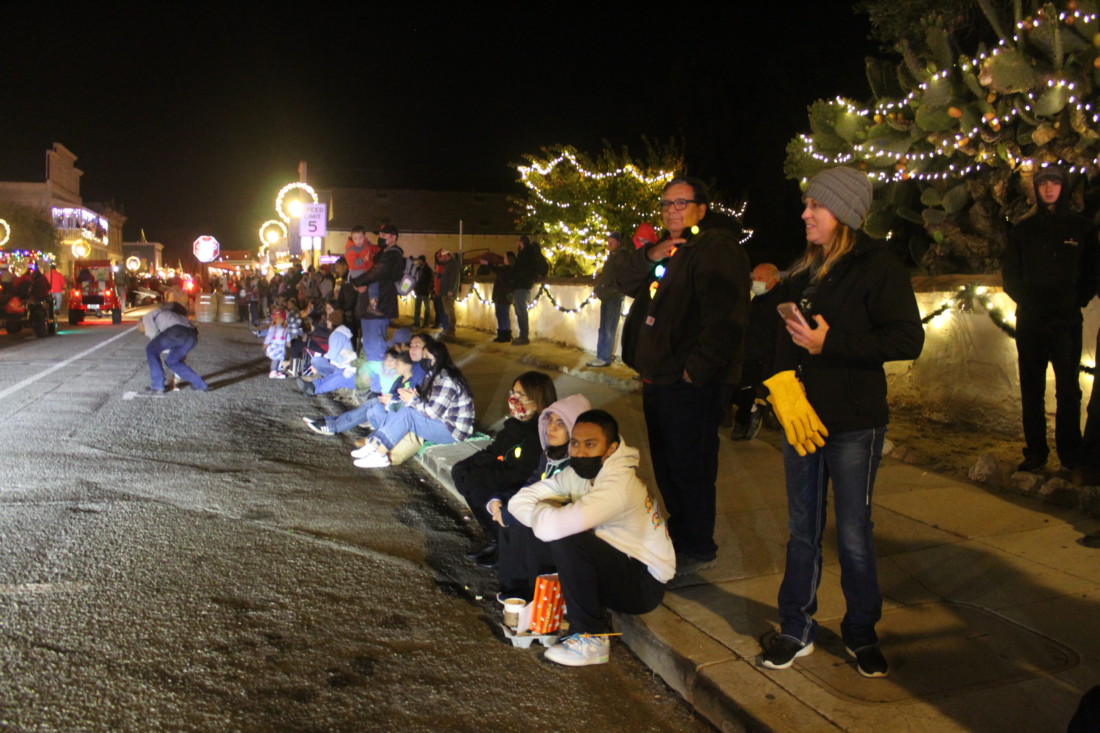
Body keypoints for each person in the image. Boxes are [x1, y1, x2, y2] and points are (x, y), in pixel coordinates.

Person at [758, 166, 924, 678]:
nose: (805, 213)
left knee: (853, 531)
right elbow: (777, 336)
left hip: (855, 422)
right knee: (802, 529)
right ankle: (796, 628)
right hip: (802, 420)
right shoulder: (804, 269)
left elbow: (907, 339)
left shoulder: (879, 266)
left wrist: (831, 343)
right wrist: (781, 385)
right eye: (807, 204)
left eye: (816, 205)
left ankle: (861, 632)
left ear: (845, 212)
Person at [613, 177, 751, 573]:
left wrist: (695, 371)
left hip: (689, 383)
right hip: (660, 377)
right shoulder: (670, 247)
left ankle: (697, 545)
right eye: (666, 204)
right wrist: (650, 253)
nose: (671, 210)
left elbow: (725, 318)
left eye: (681, 203)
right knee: (669, 466)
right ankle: (681, 534)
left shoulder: (716, 248)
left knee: (691, 467)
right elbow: (623, 281)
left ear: (701, 209)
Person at [508, 409, 676, 667]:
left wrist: (549, 512)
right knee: (541, 526)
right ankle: (552, 603)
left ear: (611, 449)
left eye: (590, 444)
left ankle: (591, 638)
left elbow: (550, 528)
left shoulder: (617, 486)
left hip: (643, 585)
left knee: (565, 536)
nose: (580, 452)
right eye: (575, 443)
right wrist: (548, 513)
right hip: (618, 563)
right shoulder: (579, 474)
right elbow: (518, 501)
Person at [1001, 164, 1098, 473]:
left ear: (1063, 187)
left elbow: (1091, 271)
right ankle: (1035, 452)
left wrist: (1076, 300)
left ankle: (1070, 452)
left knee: (1068, 389)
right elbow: (1010, 274)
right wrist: (1028, 301)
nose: (1049, 188)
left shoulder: (1081, 229)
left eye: (1055, 182)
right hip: (1031, 321)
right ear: (1036, 189)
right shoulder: (1022, 231)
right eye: (1043, 183)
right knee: (1032, 388)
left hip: (1066, 322)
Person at [451, 371, 557, 567]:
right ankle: (493, 535)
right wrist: (468, 466)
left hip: (523, 484)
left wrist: (481, 474)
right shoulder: (514, 425)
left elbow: (521, 473)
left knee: (478, 482)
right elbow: (494, 451)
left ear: (537, 399)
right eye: (513, 393)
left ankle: (504, 543)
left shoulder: (539, 433)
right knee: (461, 471)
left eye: (520, 395)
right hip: (505, 473)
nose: (514, 399)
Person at [493, 393, 591, 600]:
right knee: (507, 511)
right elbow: (532, 483)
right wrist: (498, 500)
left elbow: (562, 502)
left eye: (560, 423)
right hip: (544, 510)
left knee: (521, 523)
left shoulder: (578, 464)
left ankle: (531, 591)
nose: (551, 428)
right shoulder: (550, 454)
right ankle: (513, 586)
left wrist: (513, 512)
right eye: (550, 421)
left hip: (568, 527)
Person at [350, 340, 474, 468]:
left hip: (452, 430)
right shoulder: (431, 375)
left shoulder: (445, 379)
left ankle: (379, 455)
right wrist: (396, 402)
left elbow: (432, 413)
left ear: (438, 358)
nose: (424, 360)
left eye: (427, 356)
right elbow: (421, 403)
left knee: (406, 413)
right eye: (423, 356)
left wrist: (412, 400)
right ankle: (374, 444)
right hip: (438, 420)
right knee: (394, 409)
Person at [304, 333, 432, 436]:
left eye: (417, 345)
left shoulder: (423, 370)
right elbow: (398, 390)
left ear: (427, 348)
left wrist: (392, 400)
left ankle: (333, 425)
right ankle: (331, 423)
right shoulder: (412, 366)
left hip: (406, 415)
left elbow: (414, 401)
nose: (412, 348)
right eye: (411, 345)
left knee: (373, 406)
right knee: (372, 404)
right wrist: (390, 398)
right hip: (397, 407)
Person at [729, 263, 783, 440]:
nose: (755, 282)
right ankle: (749, 414)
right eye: (754, 278)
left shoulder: (779, 302)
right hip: (749, 352)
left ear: (773, 281)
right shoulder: (758, 299)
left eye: (760, 278)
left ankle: (746, 419)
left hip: (763, 357)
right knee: (739, 388)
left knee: (745, 388)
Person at [351, 224, 404, 392]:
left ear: (393, 237)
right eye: (379, 234)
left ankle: (380, 389)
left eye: (384, 235)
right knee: (371, 347)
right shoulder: (383, 253)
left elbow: (376, 272)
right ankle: (376, 387)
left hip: (379, 308)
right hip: (373, 309)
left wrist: (356, 282)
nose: (380, 237)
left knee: (375, 349)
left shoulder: (393, 254)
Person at [140, 302, 208, 394]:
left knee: (151, 350)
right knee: (173, 361)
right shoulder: (176, 316)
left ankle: (157, 385)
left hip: (176, 331)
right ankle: (200, 384)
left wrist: (160, 347)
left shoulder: (148, 316)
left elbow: (153, 335)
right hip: (192, 335)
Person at [587, 232, 630, 367]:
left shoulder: (621, 257)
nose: (609, 244)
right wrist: (598, 289)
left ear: (618, 243)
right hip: (606, 296)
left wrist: (611, 290)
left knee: (609, 328)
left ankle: (604, 357)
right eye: (608, 242)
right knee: (604, 328)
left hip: (613, 297)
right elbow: (606, 277)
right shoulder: (612, 257)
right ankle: (601, 355)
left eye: (612, 242)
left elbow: (621, 278)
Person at [510, 236, 548, 346]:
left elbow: (522, 270)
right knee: (520, 310)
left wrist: (515, 278)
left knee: (521, 311)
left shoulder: (525, 254)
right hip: (523, 284)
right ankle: (523, 335)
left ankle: (523, 336)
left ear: (521, 243)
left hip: (522, 285)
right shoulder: (528, 254)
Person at [489, 252, 516, 343]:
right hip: (499, 295)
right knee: (499, 315)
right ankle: (501, 334)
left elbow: (507, 282)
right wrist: (488, 264)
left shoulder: (510, 270)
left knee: (504, 315)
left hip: (504, 296)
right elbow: (495, 269)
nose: (503, 259)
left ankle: (506, 335)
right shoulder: (503, 269)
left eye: (505, 257)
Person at [437, 249, 460, 339]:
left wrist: (451, 290)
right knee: (447, 311)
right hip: (445, 292)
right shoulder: (449, 265)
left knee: (449, 311)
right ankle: (448, 330)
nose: (442, 259)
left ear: (447, 255)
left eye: (443, 257)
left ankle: (451, 330)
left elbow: (454, 278)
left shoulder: (453, 265)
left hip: (448, 293)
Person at [260, 309, 289, 379]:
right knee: (275, 359)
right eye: (277, 319)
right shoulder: (273, 328)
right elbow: (269, 336)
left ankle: (278, 371)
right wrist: (266, 344)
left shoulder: (285, 329)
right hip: (274, 347)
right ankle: (273, 372)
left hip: (281, 347)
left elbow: (287, 336)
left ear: (283, 319)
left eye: (280, 319)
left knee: (280, 360)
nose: (278, 320)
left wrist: (288, 342)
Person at [412, 255, 434, 328]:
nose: (418, 262)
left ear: (422, 261)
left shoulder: (428, 270)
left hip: (425, 291)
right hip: (418, 291)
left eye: (419, 260)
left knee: (427, 308)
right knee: (417, 308)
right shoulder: (417, 269)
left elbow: (430, 280)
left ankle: (426, 323)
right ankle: (416, 323)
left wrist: (428, 288)